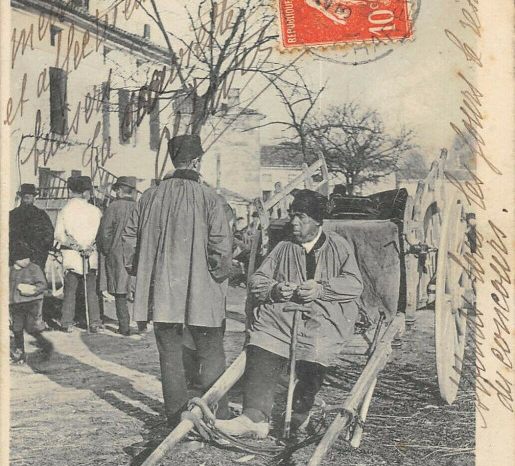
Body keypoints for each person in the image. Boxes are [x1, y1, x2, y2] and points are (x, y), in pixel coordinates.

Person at [216, 190, 363, 439]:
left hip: (323, 314)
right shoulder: (284, 247)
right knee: (263, 337)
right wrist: (275, 288)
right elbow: (259, 279)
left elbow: (353, 283)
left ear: (317, 220)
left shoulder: (338, 246)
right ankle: (255, 416)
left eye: (301, 217)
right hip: (284, 313)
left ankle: (299, 411)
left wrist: (321, 289)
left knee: (316, 346)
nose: (294, 223)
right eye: (293, 216)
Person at [122, 133, 233, 428]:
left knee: (169, 351)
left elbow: (129, 239)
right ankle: (216, 414)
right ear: (197, 161)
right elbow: (221, 249)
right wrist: (219, 275)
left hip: (161, 293)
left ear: (174, 160)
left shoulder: (149, 197)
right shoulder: (211, 198)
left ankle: (175, 416)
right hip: (201, 289)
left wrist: (140, 270)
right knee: (210, 349)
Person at [97, 176, 146, 336]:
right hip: (138, 253)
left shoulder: (113, 207)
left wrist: (106, 250)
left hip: (118, 253)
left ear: (119, 190)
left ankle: (124, 326)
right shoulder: (140, 207)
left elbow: (105, 233)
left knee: (120, 291)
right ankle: (142, 324)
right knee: (139, 288)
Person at [54, 176, 103, 333]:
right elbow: (100, 235)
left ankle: (67, 322)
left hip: (72, 256)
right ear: (86, 193)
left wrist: (75, 245)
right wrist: (88, 246)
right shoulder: (95, 211)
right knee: (91, 290)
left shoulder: (65, 210)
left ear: (71, 191)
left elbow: (59, 235)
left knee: (70, 291)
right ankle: (94, 322)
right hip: (90, 254)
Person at [9, 243, 53, 364]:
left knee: (31, 328)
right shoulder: (9, 271)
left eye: (27, 258)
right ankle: (20, 353)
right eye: (22, 258)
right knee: (16, 329)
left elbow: (43, 284)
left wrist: (33, 290)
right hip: (16, 304)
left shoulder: (33, 268)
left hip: (31, 303)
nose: (25, 261)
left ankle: (45, 345)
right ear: (15, 259)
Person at [9, 184, 54, 270]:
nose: (28, 197)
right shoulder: (41, 215)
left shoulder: (11, 215)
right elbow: (49, 236)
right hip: (35, 259)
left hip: (18, 260)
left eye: (28, 195)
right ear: (34, 198)